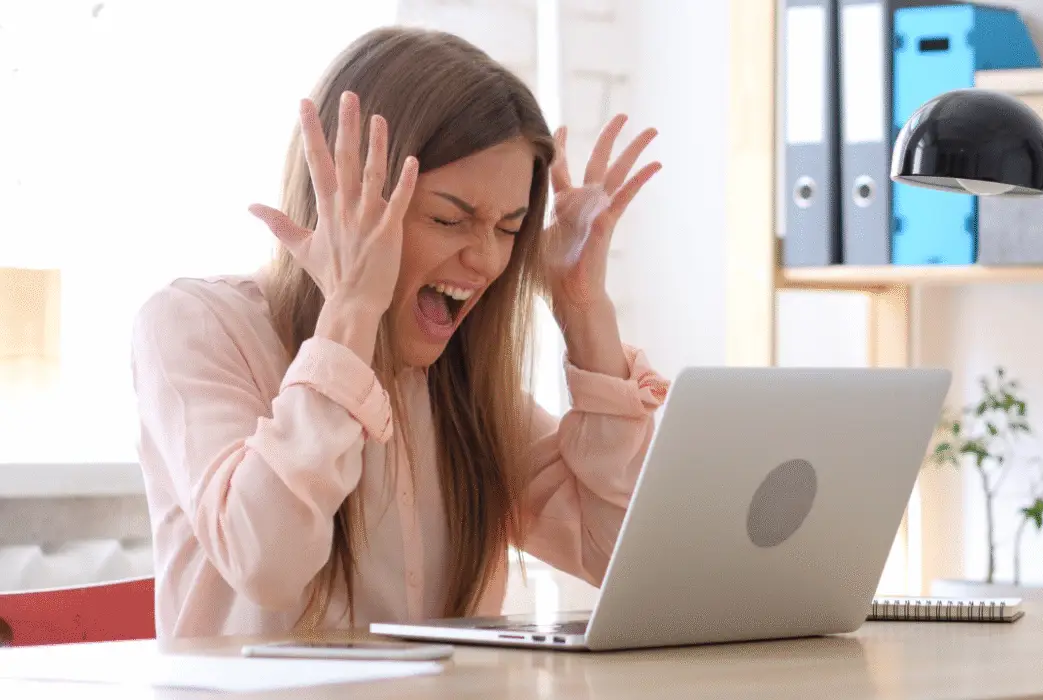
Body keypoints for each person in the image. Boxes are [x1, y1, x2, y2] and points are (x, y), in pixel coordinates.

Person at [129, 25, 670, 639]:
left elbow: (623, 559)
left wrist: (583, 308)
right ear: (347, 200)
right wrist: (351, 311)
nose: (488, 262)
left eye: (508, 228)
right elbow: (266, 563)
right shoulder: (196, 326)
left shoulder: (460, 392)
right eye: (449, 218)